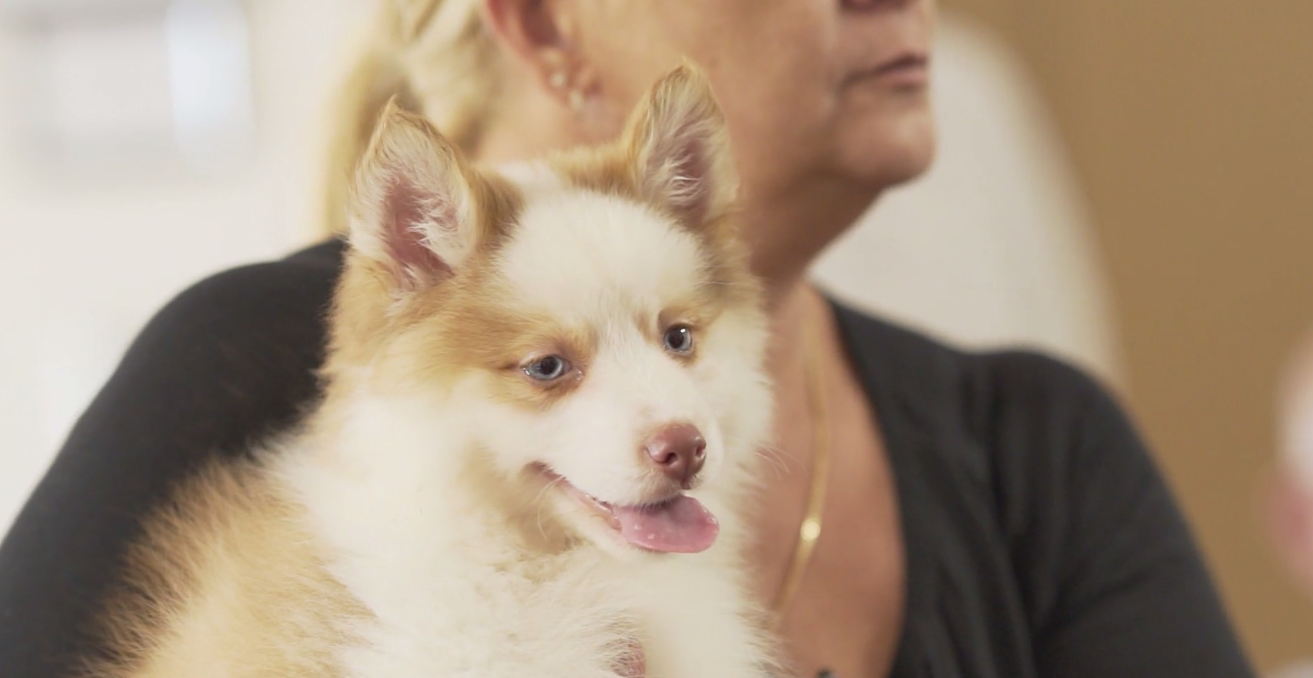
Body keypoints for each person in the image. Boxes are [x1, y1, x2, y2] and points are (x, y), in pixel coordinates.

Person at [0, 1, 1256, 676]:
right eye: (548, 367)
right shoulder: (237, 365)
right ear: (545, 25)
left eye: (678, 337)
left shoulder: (1040, 445)